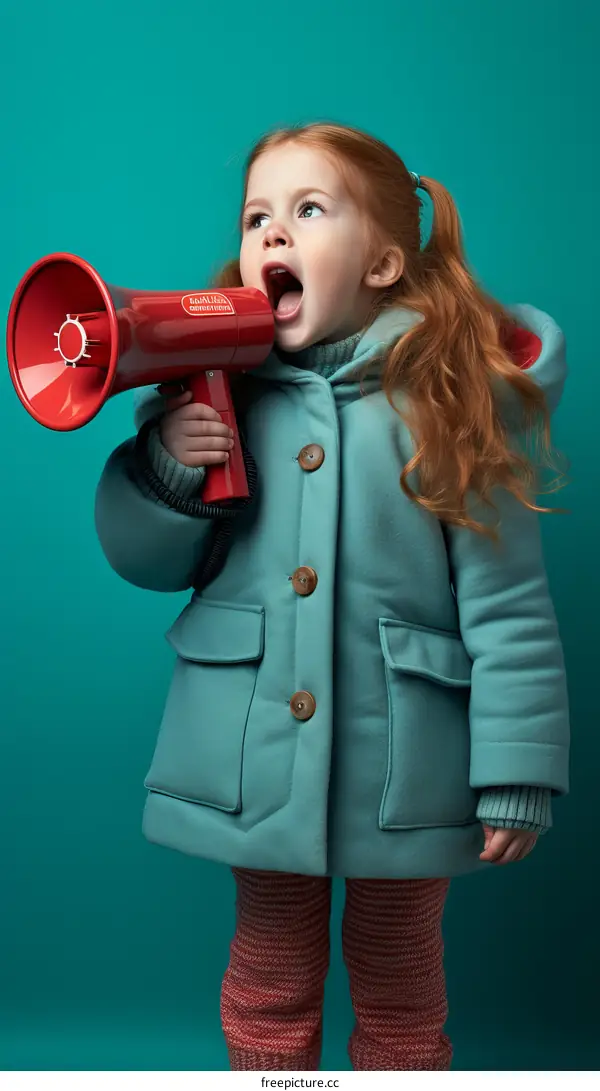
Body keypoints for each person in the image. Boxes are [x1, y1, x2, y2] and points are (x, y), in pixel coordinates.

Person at [94, 123, 570, 1072]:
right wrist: (171, 467)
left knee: (401, 981)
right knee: (268, 976)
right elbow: (149, 562)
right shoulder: (210, 394)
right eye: (256, 218)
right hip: (256, 757)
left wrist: (518, 770)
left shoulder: (450, 403)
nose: (273, 233)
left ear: (383, 263)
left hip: (407, 765)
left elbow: (510, 607)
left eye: (308, 210)